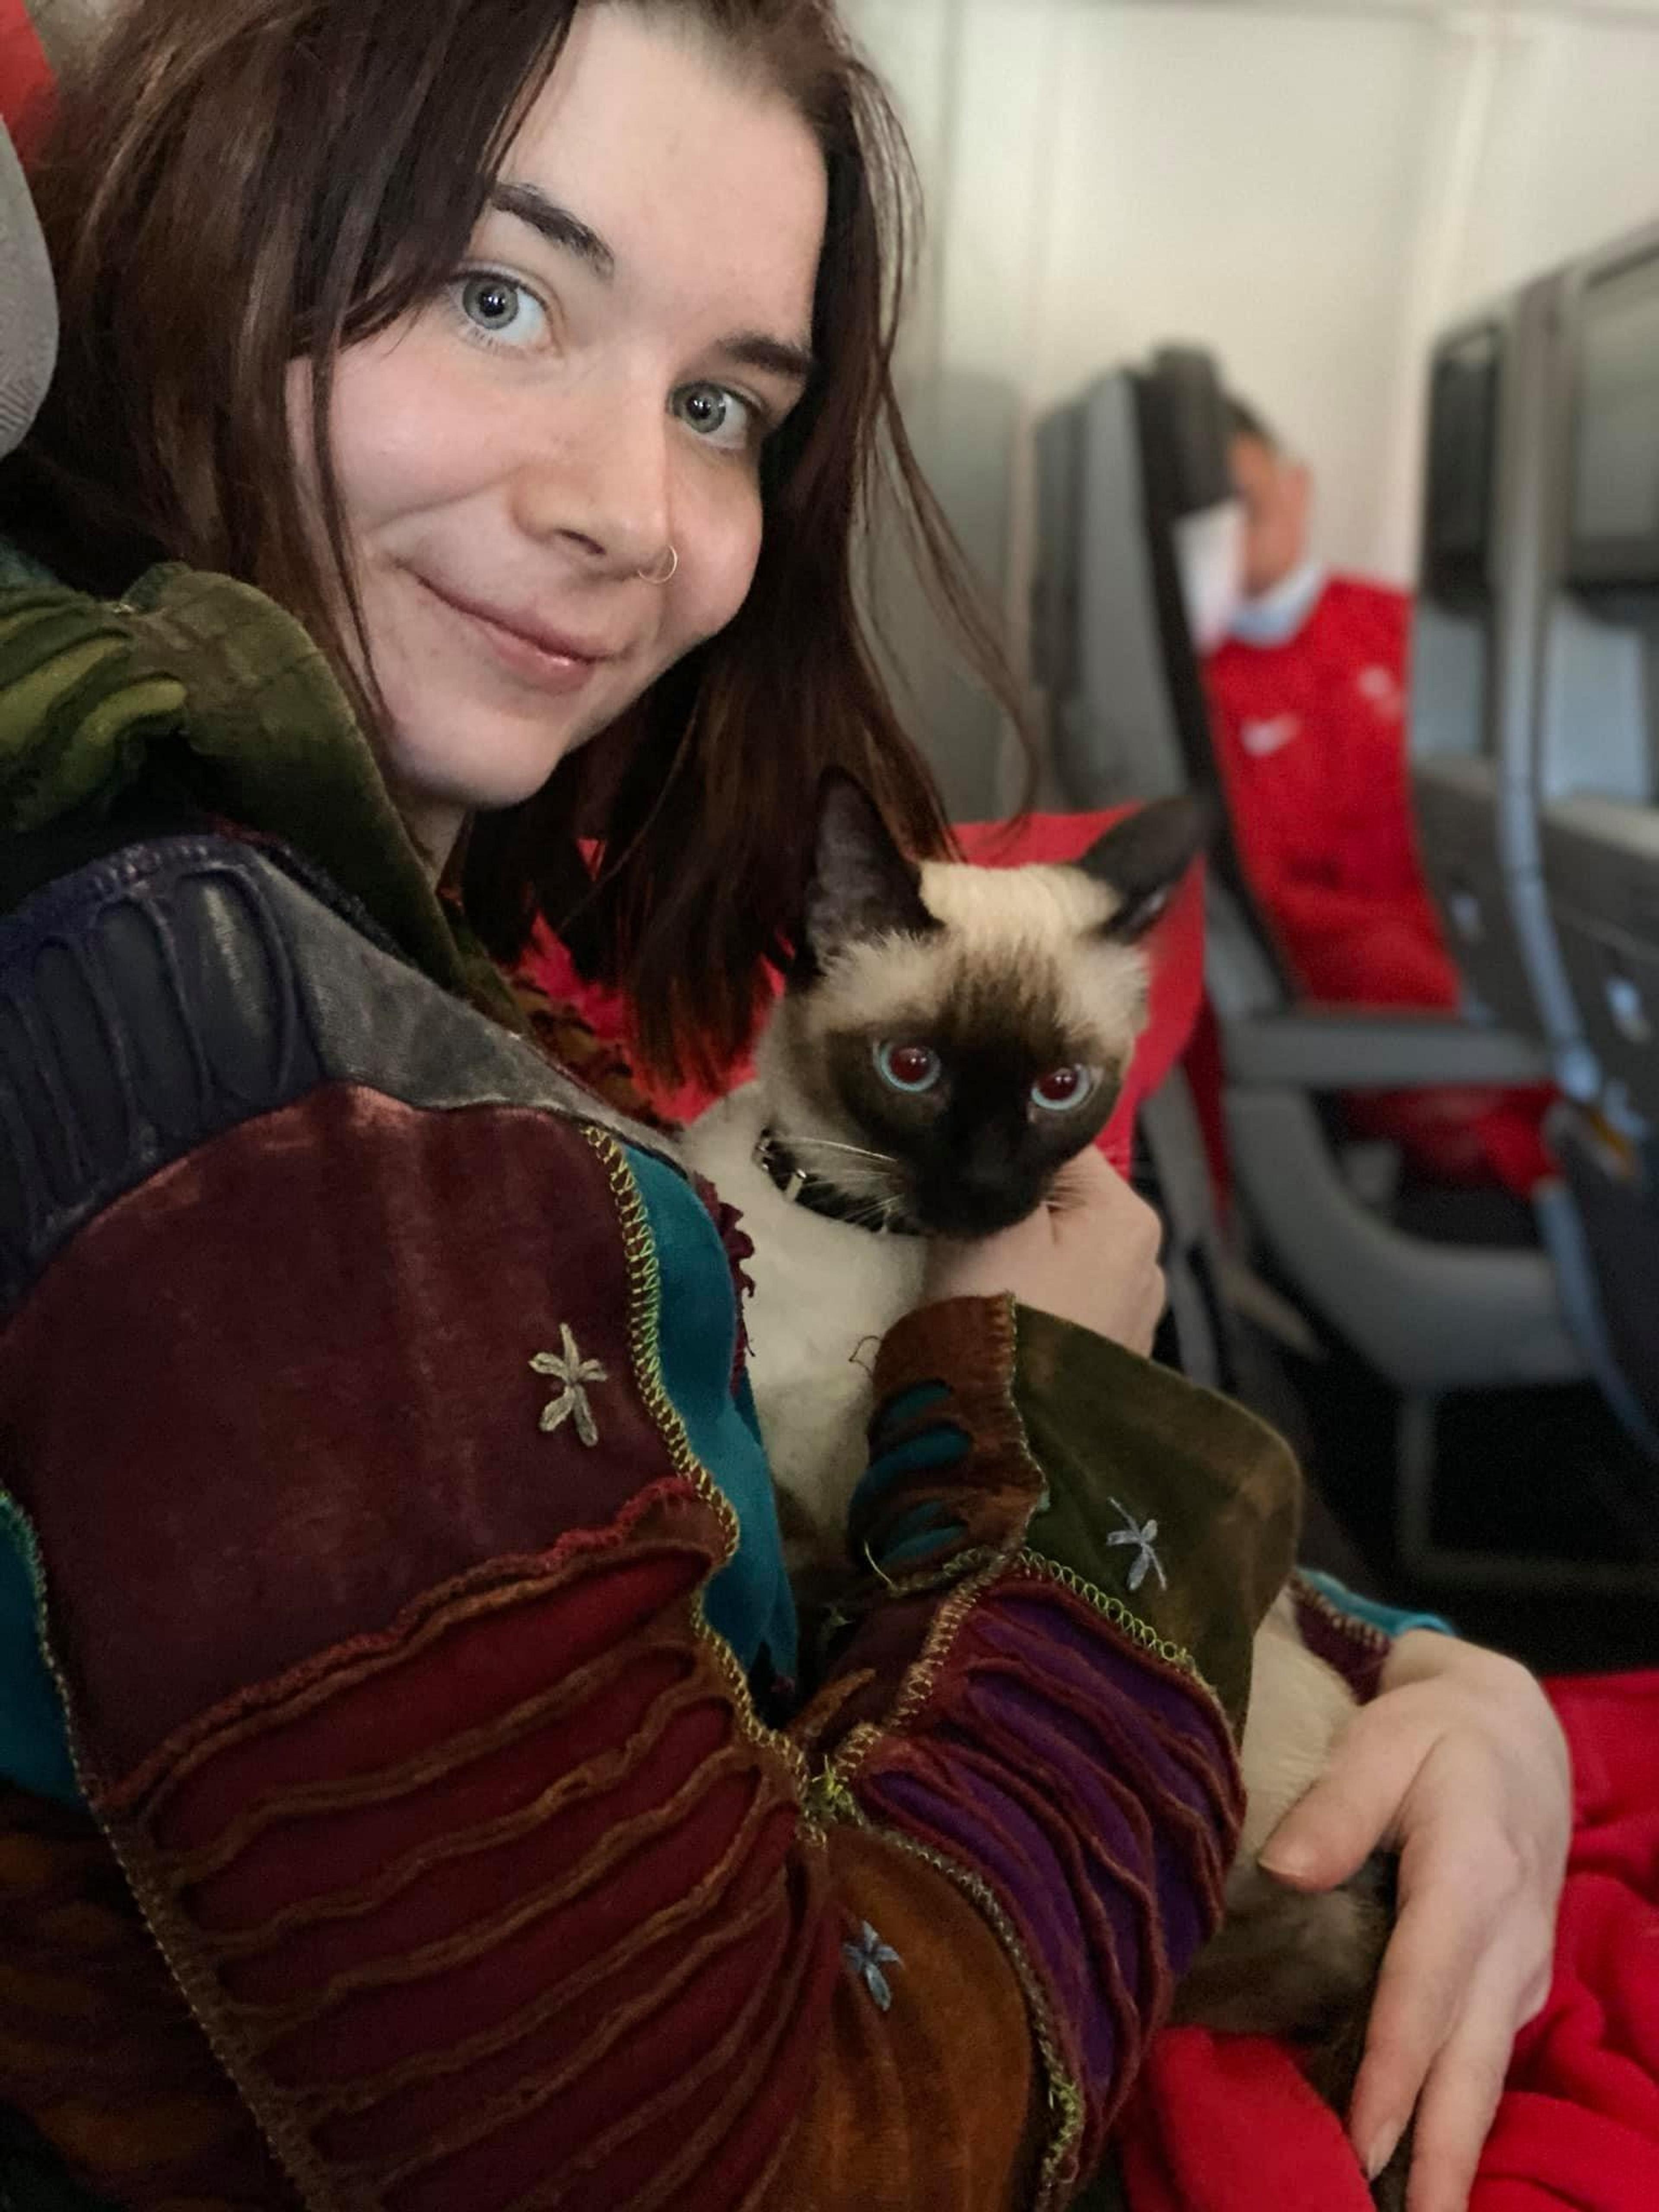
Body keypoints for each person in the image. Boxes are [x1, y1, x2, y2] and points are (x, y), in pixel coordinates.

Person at [0, 6, 1567, 2209]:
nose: (631, 511)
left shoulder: (335, 912)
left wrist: (1433, 1674)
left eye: (723, 402)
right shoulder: (241, 1091)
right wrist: (1067, 1417)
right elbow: (784, 2154)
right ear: (194, 239)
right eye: (498, 293)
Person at [1203, 397, 1555, 1198]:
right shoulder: (1205, 692)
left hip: (1493, 966)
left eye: (1245, 483)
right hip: (1411, 1030)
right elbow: (1285, 911)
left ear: (1297, 487)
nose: (1235, 507)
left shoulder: (1410, 628)